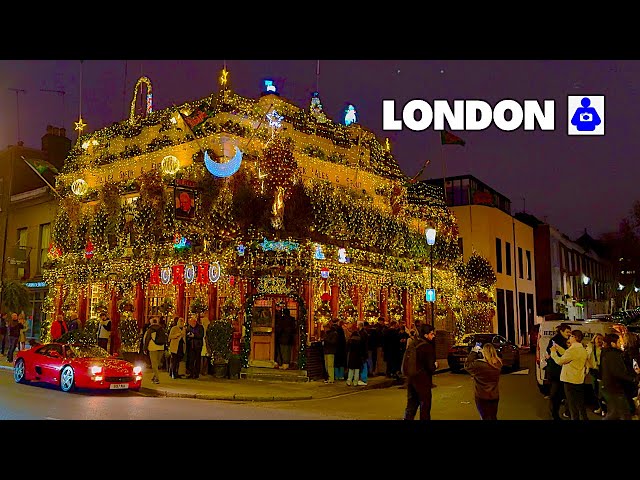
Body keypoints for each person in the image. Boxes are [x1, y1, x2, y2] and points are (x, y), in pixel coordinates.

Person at [550, 329, 589, 420]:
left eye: (571, 336)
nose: (569, 338)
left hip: (569, 380)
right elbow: (567, 355)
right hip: (579, 379)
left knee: (572, 406)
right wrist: (558, 348)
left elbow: (560, 361)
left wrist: (553, 352)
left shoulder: (572, 351)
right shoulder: (582, 350)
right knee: (580, 404)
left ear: (575, 337)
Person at [600, 332, 640, 420]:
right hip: (615, 387)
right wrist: (633, 379)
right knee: (620, 413)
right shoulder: (614, 355)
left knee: (617, 412)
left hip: (611, 387)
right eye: (618, 342)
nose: (620, 343)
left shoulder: (608, 354)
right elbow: (618, 372)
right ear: (613, 344)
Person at [403, 324, 438, 420]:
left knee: (411, 405)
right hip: (423, 380)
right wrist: (435, 366)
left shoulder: (413, 343)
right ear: (426, 335)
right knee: (425, 406)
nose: (433, 336)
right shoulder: (427, 347)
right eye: (431, 334)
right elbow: (430, 367)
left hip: (412, 378)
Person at [464, 342, 502, 420]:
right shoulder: (498, 363)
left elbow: (467, 365)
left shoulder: (479, 365)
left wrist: (475, 351)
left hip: (482, 396)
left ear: (484, 352)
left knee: (485, 417)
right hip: (494, 396)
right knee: (493, 416)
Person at [545, 322, 572, 420]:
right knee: (556, 394)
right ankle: (554, 414)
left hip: (559, 372)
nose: (569, 334)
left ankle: (557, 412)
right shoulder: (556, 341)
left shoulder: (563, 340)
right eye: (567, 332)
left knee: (559, 394)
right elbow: (551, 352)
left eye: (570, 332)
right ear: (561, 331)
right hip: (556, 372)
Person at [586, 333, 605, 416]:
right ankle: (601, 407)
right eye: (597, 338)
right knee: (596, 390)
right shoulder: (590, 347)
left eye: (601, 339)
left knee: (603, 390)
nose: (599, 340)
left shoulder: (604, 349)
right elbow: (586, 357)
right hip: (594, 371)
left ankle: (604, 408)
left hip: (603, 371)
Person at [143, 316, 165, 384]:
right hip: (161, 347)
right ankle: (154, 377)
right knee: (157, 363)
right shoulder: (161, 329)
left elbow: (146, 339)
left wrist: (145, 348)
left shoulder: (150, 329)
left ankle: (157, 379)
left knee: (154, 364)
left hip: (153, 348)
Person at [185, 315, 204, 379]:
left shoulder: (200, 327)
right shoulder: (189, 327)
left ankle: (196, 374)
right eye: (190, 323)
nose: (191, 324)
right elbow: (187, 334)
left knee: (197, 360)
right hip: (191, 346)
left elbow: (201, 335)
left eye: (192, 323)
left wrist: (194, 335)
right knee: (191, 360)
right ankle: (191, 373)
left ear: (195, 322)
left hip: (197, 345)